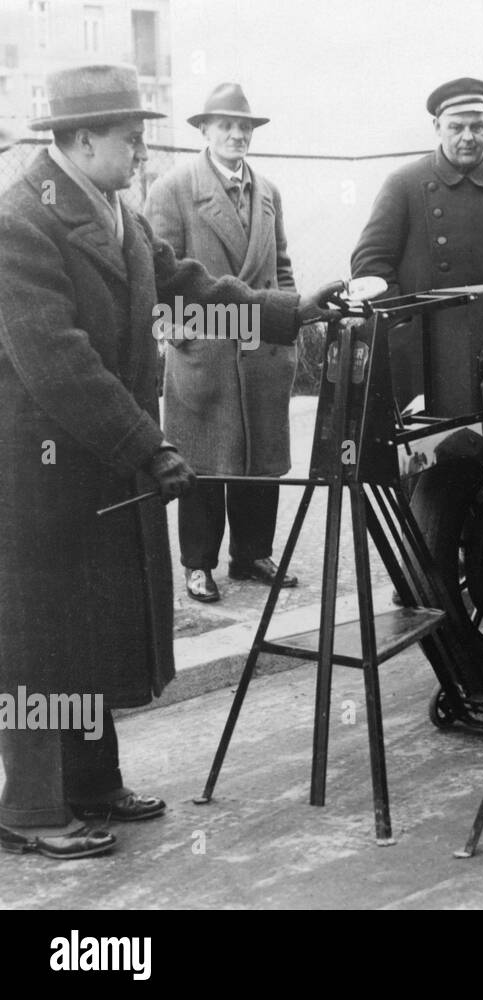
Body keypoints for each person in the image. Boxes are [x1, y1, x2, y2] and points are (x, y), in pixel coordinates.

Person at [0, 64, 337, 860]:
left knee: (90, 628)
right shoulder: (20, 223)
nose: (142, 151)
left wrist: (288, 312)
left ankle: (91, 783)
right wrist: (148, 447)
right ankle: (32, 810)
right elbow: (59, 363)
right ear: (82, 141)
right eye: (129, 136)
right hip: (39, 471)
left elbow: (185, 288)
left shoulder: (112, 209)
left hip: (95, 459)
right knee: (39, 641)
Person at [145, 83, 300, 603]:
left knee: (262, 458)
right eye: (226, 125)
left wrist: (289, 324)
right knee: (204, 462)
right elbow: (158, 275)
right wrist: (179, 332)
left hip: (261, 348)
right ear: (204, 130)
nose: (237, 134)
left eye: (246, 126)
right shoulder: (173, 188)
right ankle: (199, 564)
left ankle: (253, 553)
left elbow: (280, 267)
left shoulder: (270, 191)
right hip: (205, 349)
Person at [351, 77, 483, 407]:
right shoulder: (404, 183)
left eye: (477, 126)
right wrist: (405, 325)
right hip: (422, 354)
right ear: (437, 127)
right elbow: (369, 263)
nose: (468, 137)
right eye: (456, 127)